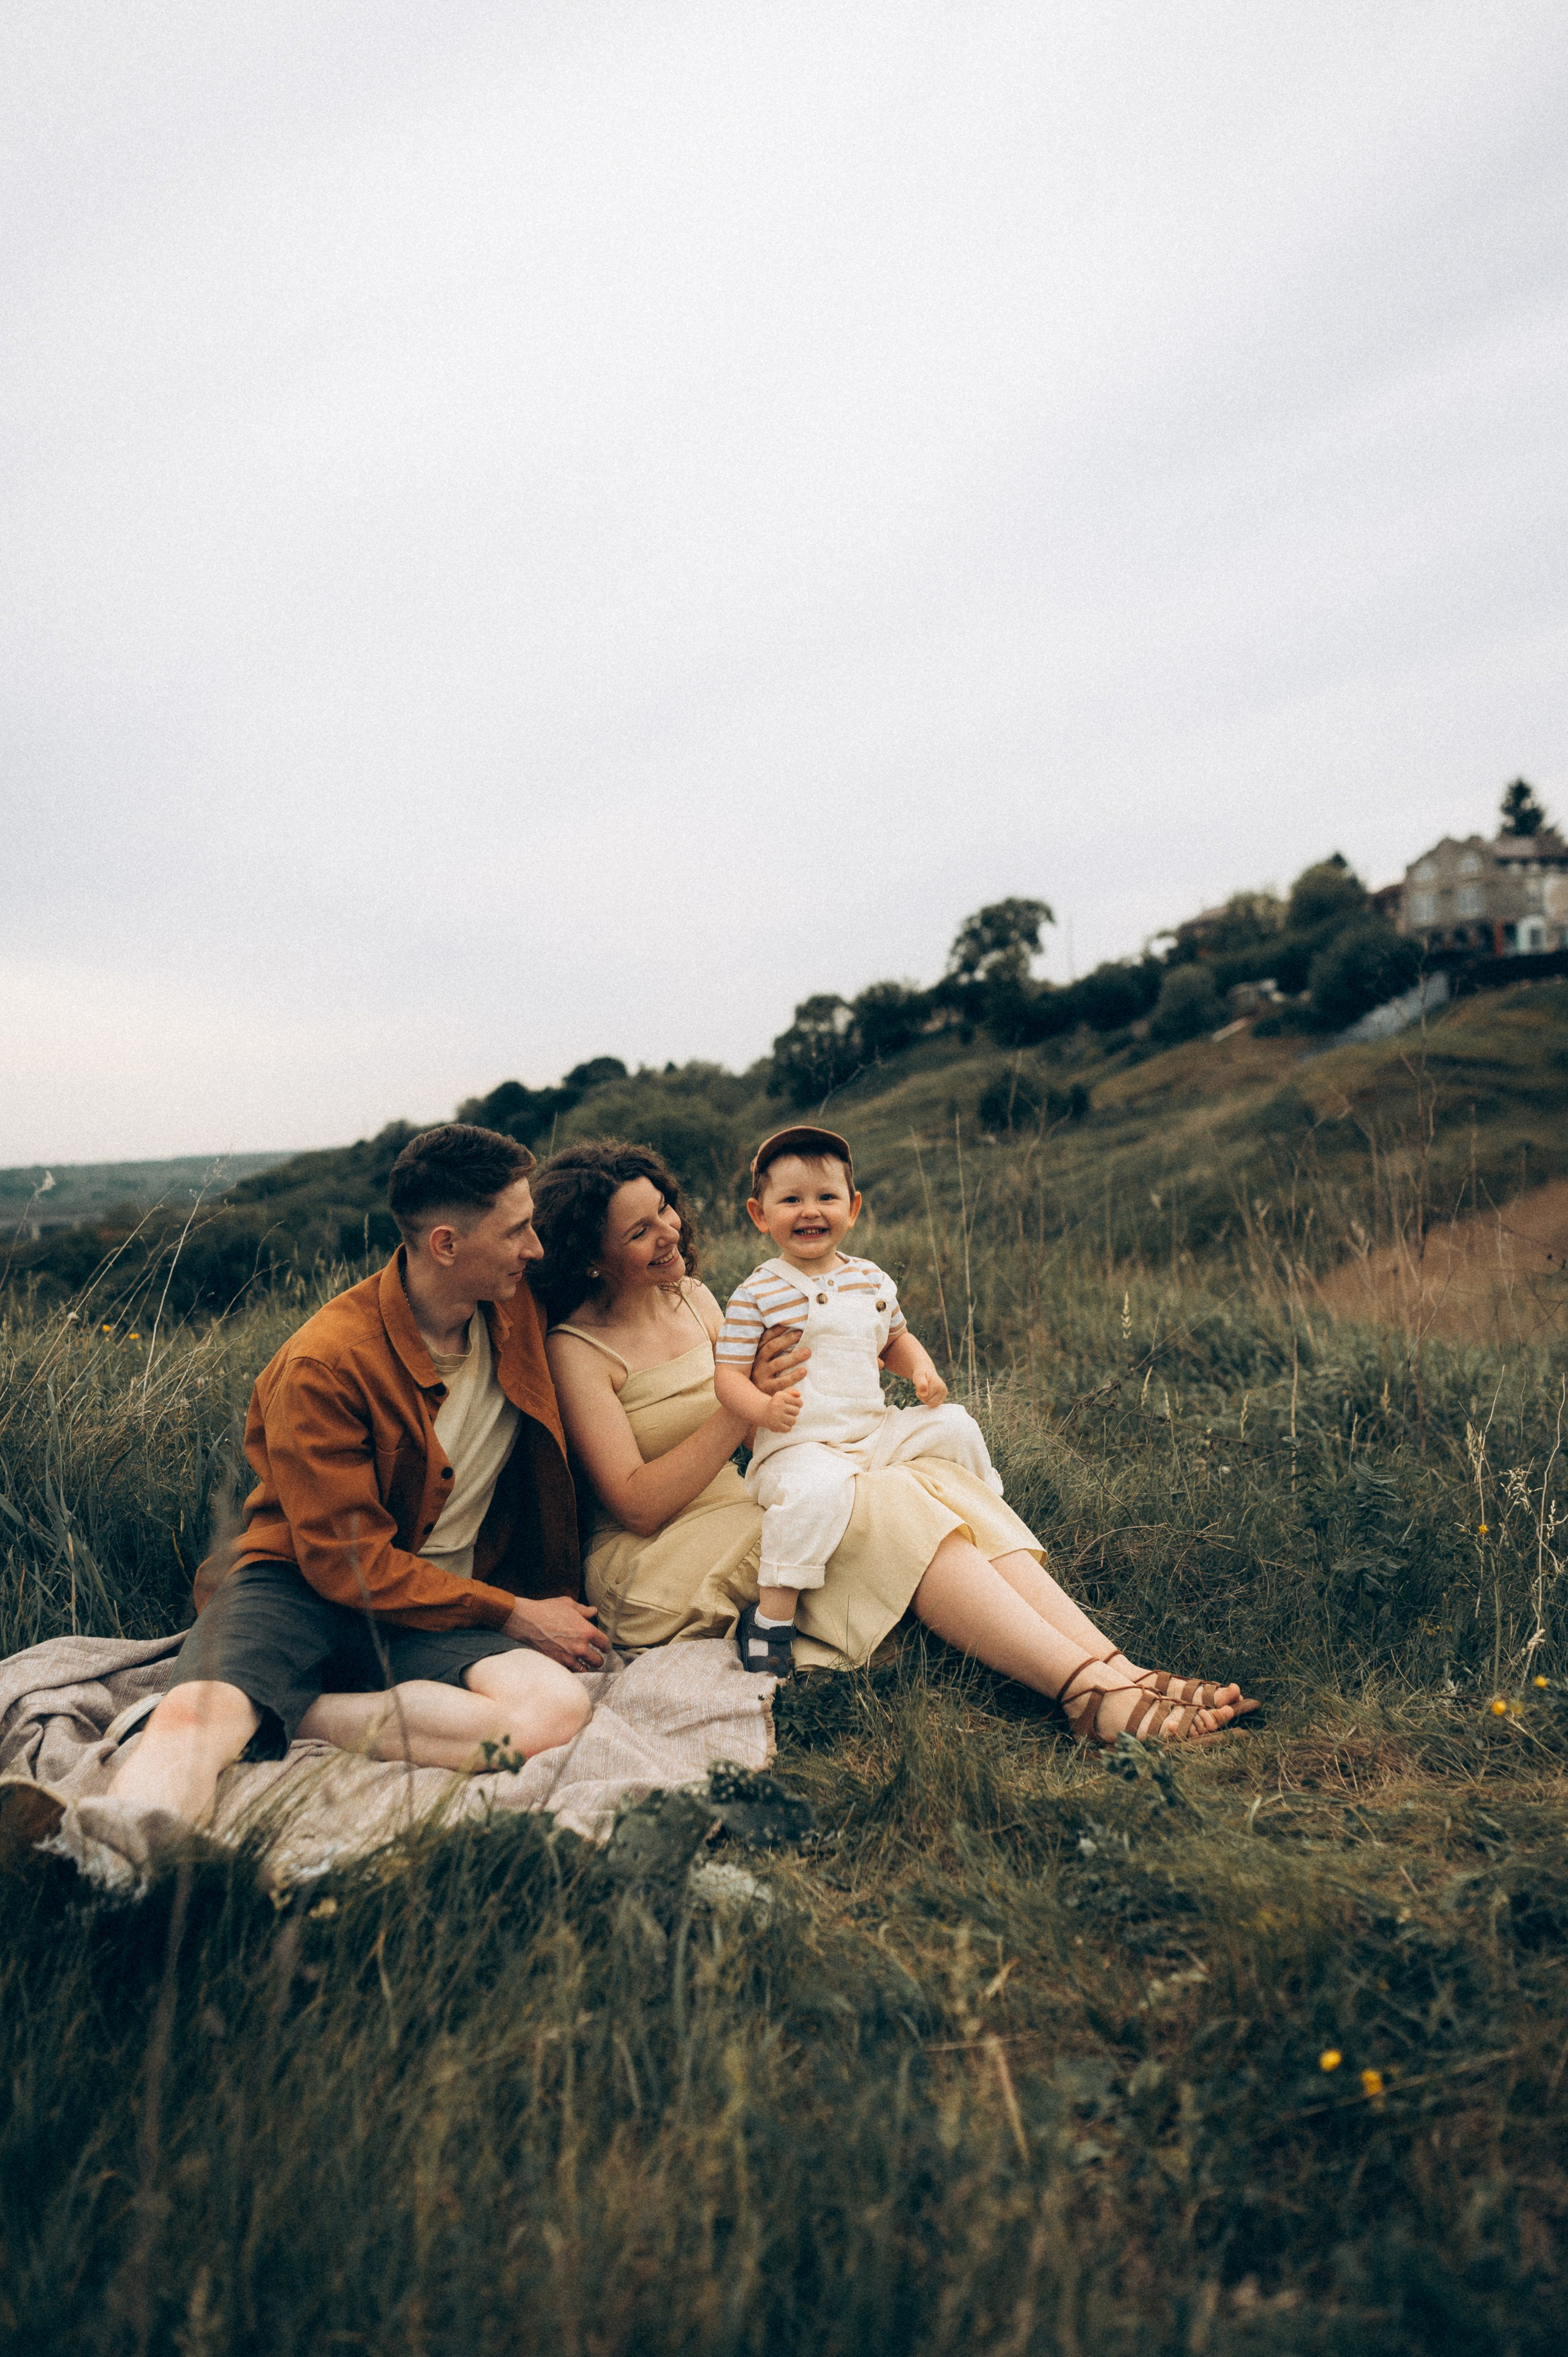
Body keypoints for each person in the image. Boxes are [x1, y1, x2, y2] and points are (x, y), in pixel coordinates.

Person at [1, 1124, 614, 1874]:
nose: (536, 1248)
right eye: (517, 1230)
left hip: (436, 1598)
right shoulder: (325, 1363)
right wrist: (516, 1610)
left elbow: (625, 1253)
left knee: (553, 1713)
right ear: (447, 1244)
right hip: (300, 1582)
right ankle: (117, 1856)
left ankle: (299, 1708)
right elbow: (347, 1564)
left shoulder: (516, 1302)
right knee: (197, 1718)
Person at [535, 1139, 1252, 1741]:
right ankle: (1085, 1694)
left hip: (742, 1497)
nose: (668, 1233)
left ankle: (1114, 1666)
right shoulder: (579, 1348)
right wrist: (743, 1406)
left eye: (664, 1208)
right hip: (659, 1557)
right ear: (590, 1256)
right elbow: (636, 1505)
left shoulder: (692, 1296)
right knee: (885, 1505)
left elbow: (766, 1424)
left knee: (932, 1476)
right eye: (638, 1231)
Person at [713, 1124, 1003, 1675]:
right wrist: (761, 1410)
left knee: (956, 1425)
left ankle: (985, 1524)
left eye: (826, 1197)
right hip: (800, 1446)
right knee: (814, 1494)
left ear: (854, 1208)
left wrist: (920, 1370)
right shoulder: (756, 1293)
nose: (810, 1211)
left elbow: (893, 1339)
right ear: (759, 1214)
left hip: (873, 1432)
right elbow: (727, 1377)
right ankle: (774, 1616)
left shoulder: (871, 1279)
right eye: (791, 1199)